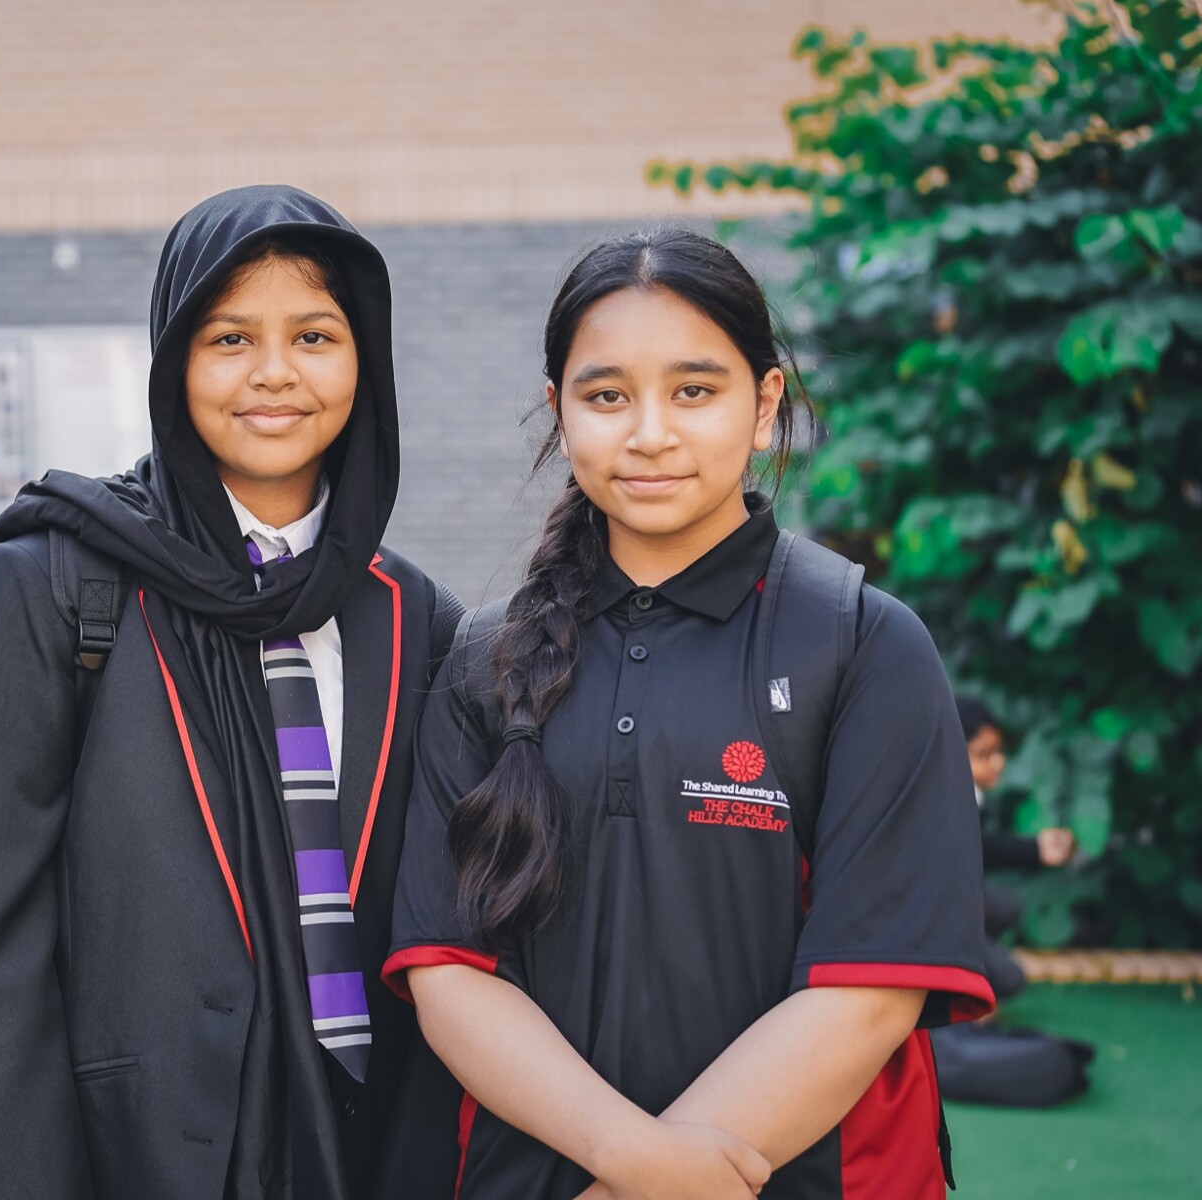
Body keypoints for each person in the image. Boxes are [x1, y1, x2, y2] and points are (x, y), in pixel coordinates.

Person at [385, 230, 994, 1199]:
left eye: (694, 391)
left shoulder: (862, 645)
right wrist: (632, 1164)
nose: (649, 433)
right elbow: (447, 970)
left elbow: (871, 987)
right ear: (557, 415)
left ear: (764, 409)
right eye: (605, 395)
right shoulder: (480, 660)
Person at [0, 185, 463, 1200]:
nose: (272, 373)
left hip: (363, 1146)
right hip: (135, 1151)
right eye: (227, 338)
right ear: (172, 361)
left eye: (313, 335)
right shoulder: (51, 580)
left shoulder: (414, 617)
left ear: (363, 360)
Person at [956, 695, 1076, 1001]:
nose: (998, 762)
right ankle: (962, 987)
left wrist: (1035, 849)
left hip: (955, 903)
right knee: (1008, 978)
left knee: (1005, 907)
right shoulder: (942, 799)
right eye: (984, 754)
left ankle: (969, 972)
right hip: (935, 915)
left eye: (999, 752)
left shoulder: (969, 793)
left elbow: (978, 849)